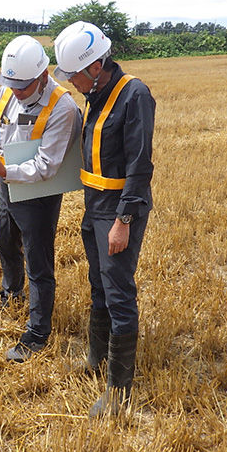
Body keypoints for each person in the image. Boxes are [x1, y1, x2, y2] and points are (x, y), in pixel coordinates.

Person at [53, 21, 155, 416]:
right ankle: (96, 358)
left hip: (117, 210)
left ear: (96, 66)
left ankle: (118, 391)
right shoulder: (95, 93)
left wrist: (123, 220)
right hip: (94, 205)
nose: (71, 82)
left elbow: (139, 166)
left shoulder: (135, 95)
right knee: (98, 283)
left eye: (74, 74)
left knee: (118, 291)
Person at [0, 35, 81, 362]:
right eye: (11, 84)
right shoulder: (8, 89)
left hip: (39, 193)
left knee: (39, 261)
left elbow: (47, 166)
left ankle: (38, 332)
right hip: (9, 182)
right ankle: (11, 292)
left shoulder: (63, 107)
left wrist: (3, 171)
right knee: (3, 240)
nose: (15, 92)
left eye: (22, 86)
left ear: (43, 76)